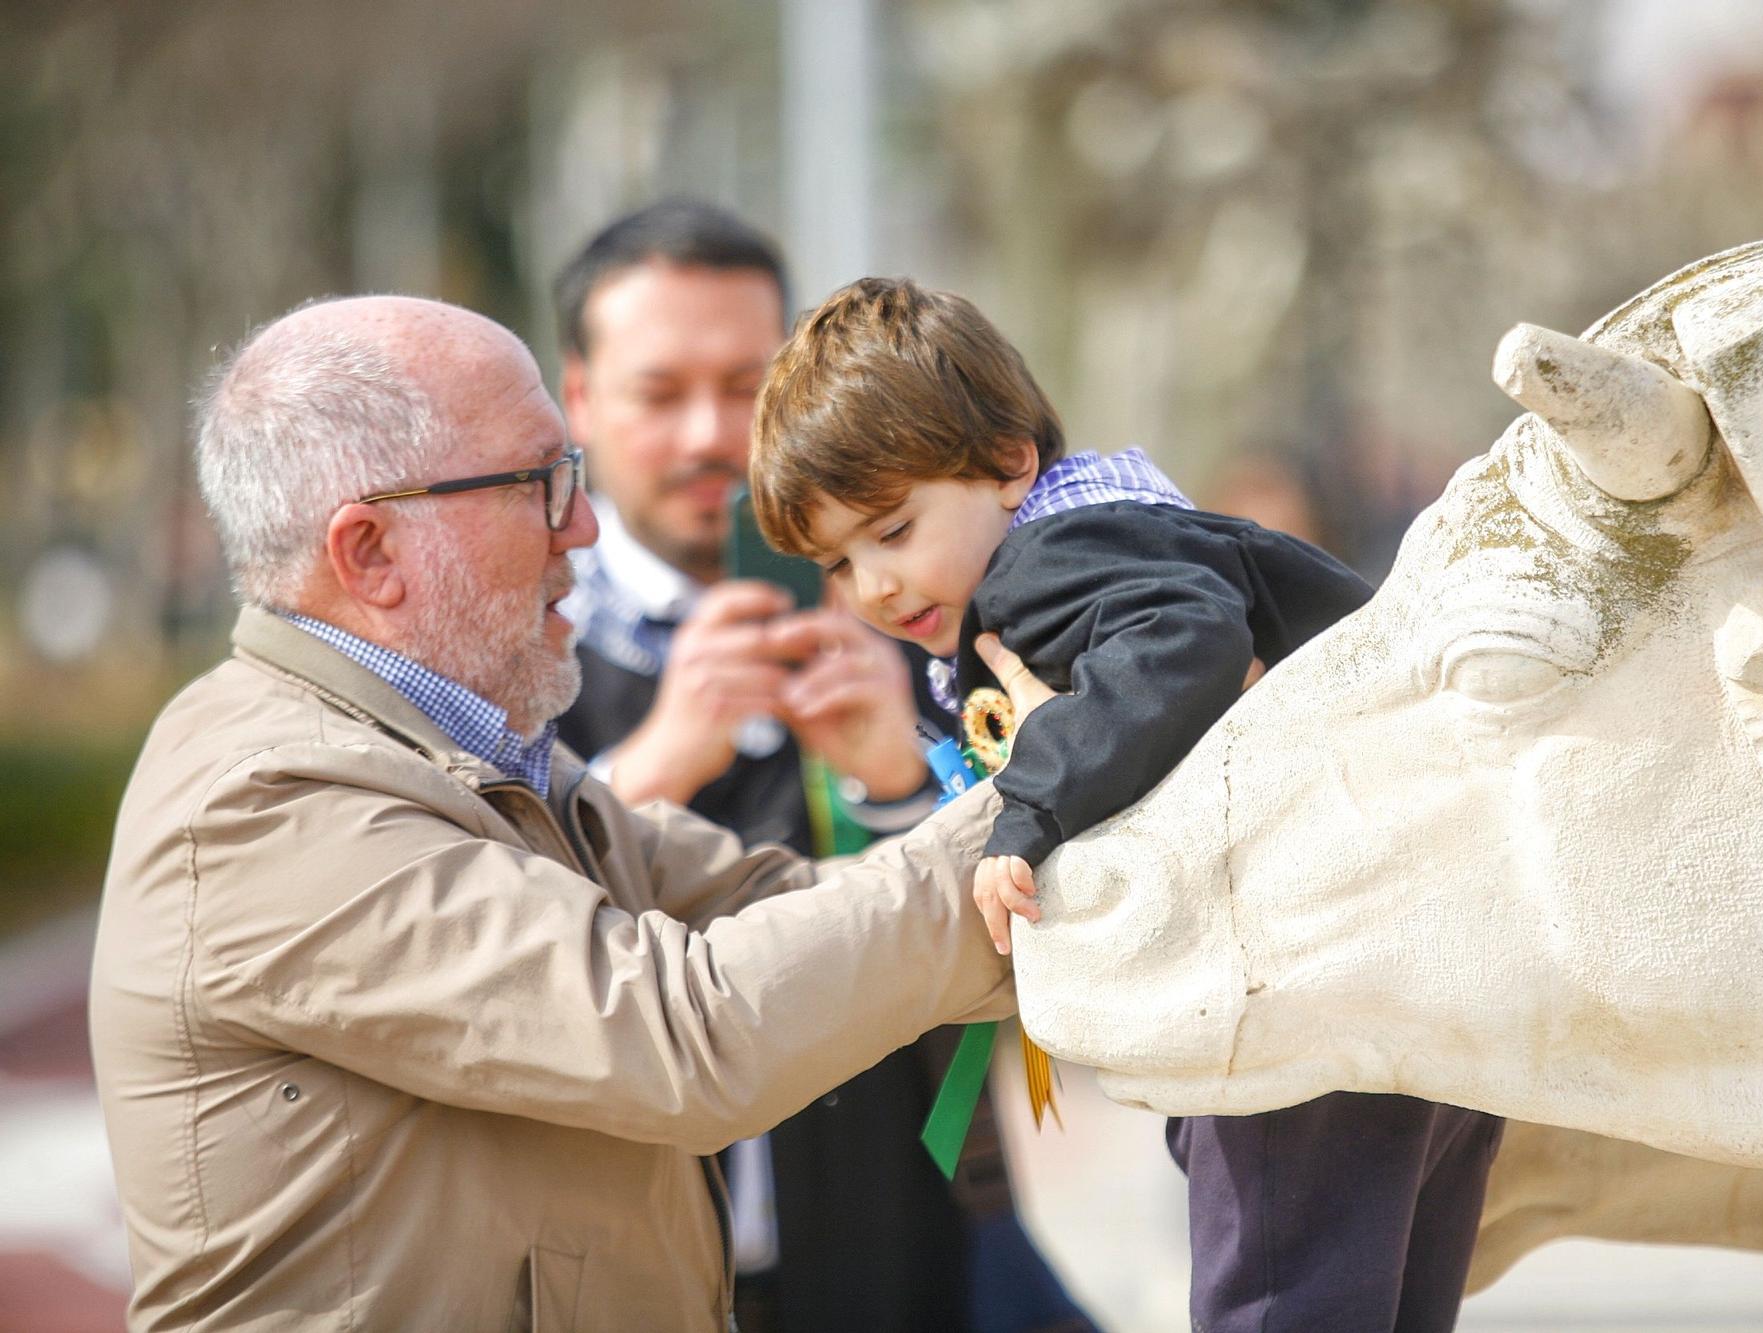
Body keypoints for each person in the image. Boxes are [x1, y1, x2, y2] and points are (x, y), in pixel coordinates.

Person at [87, 293, 1038, 1331]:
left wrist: (976, 810)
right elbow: (686, 1032)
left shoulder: (465, 751)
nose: (583, 528)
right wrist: (1058, 789)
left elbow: (774, 903)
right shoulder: (268, 801)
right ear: (368, 552)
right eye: (540, 484)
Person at [751, 276, 1506, 1332]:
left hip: (1297, 1007)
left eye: (892, 527)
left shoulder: (1048, 563)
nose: (873, 585)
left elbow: (1185, 645)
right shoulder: (1125, 529)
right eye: (837, 561)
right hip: (1402, 982)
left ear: (1011, 461)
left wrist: (1029, 804)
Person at [551, 198, 1087, 1332]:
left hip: (904, 1252)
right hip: (621, 1275)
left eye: (745, 386)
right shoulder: (522, 650)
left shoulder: (931, 609)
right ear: (579, 401)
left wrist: (900, 782)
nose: (708, 434)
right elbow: (468, 928)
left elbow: (1044, 959)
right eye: (659, 392)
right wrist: (649, 763)